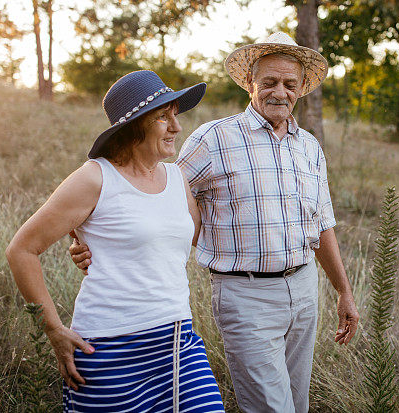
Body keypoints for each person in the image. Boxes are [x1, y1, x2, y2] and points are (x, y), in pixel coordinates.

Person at [71, 32, 359, 413]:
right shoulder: (214, 139)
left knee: (298, 402)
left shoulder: (308, 146)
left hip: (304, 289)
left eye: (290, 84)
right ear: (250, 83)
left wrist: (343, 290)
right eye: (269, 82)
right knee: (273, 408)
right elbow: (147, 190)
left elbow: (322, 223)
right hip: (246, 295)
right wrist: (85, 236)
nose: (280, 92)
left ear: (302, 88)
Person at [5, 70, 225, 413]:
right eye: (163, 117)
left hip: (178, 341)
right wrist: (53, 329)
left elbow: (194, 239)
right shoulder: (94, 178)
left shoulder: (177, 177)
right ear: (133, 126)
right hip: (109, 347)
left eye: (175, 115)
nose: (176, 127)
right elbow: (21, 250)